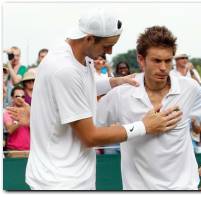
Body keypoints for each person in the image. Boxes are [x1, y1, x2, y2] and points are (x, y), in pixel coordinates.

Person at [25, 10, 182, 190]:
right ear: (89, 39)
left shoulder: (75, 53)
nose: (109, 51)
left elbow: (81, 87)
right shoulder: (64, 70)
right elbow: (90, 137)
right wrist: (144, 126)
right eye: (106, 45)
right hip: (60, 181)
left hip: (68, 177)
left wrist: (113, 82)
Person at [97, 26, 201, 190]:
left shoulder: (190, 88)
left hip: (185, 188)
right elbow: (92, 131)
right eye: (157, 60)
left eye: (168, 61)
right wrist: (141, 128)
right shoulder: (121, 95)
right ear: (141, 60)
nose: (163, 68)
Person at [3, 86, 30, 153]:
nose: (20, 98)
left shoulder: (29, 111)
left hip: (30, 150)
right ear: (12, 98)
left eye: (23, 97)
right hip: (13, 150)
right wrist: (19, 121)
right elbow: (10, 130)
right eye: (17, 96)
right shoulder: (8, 111)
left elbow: (37, 128)